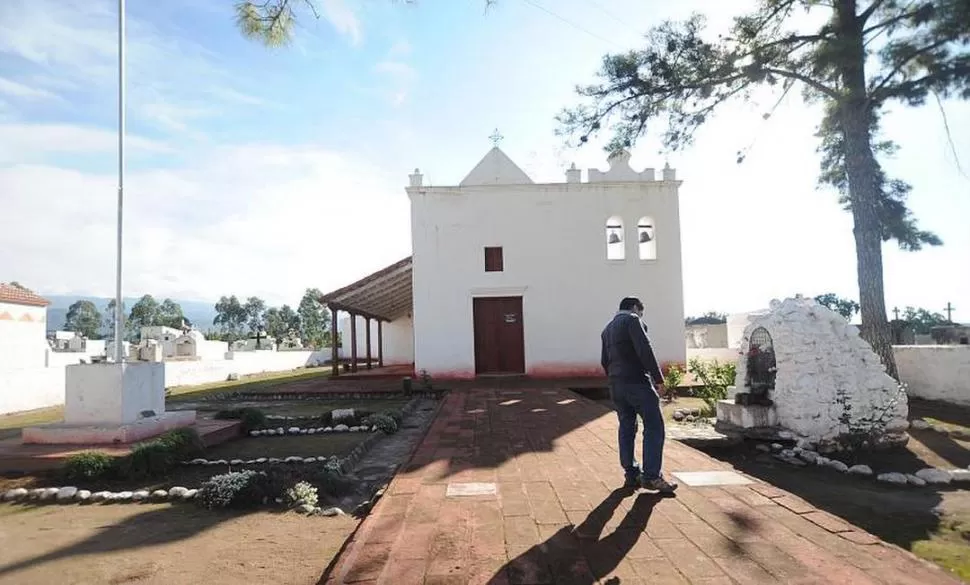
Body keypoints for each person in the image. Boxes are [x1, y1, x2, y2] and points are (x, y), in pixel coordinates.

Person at [600, 296, 678, 494]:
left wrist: (615, 380)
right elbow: (645, 350)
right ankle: (651, 476)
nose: (642, 317)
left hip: (616, 386)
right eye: (641, 312)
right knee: (654, 426)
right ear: (635, 308)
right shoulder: (633, 320)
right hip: (637, 382)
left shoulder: (607, 329)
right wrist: (659, 379)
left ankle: (631, 473)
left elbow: (604, 361)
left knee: (626, 426)